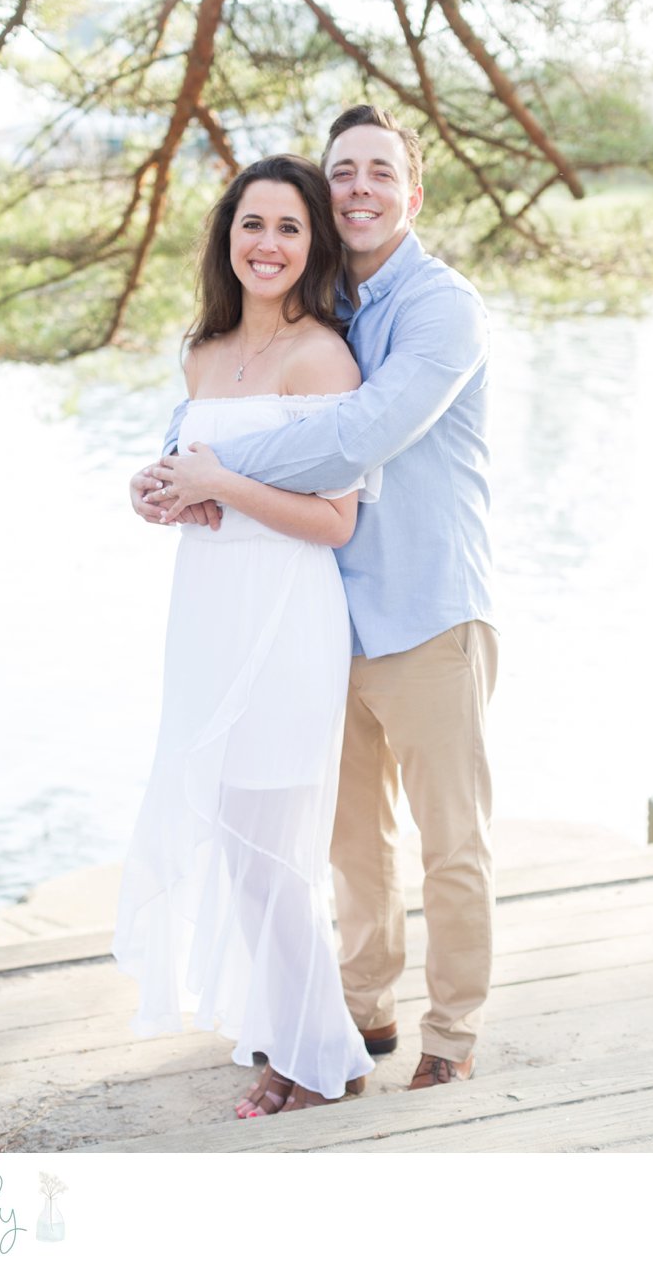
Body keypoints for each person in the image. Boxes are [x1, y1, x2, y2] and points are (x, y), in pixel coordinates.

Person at [133, 105, 496, 1092]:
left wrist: (209, 468)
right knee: (349, 844)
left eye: (382, 170)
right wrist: (175, 464)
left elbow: (353, 438)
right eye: (345, 171)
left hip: (426, 611)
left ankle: (452, 1035)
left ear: (411, 194)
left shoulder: (440, 307)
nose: (362, 187)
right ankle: (361, 1014)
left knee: (450, 840)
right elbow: (227, 383)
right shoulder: (327, 297)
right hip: (324, 615)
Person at [113, 154, 377, 1115]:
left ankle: (317, 1055)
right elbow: (202, 480)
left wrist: (216, 484)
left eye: (289, 228)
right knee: (232, 837)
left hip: (283, 613)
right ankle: (291, 1031)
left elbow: (335, 518)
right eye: (251, 225)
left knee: (274, 848)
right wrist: (159, 491)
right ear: (228, 236)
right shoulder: (204, 351)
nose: (267, 245)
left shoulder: (323, 357)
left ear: (311, 246)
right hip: (207, 609)